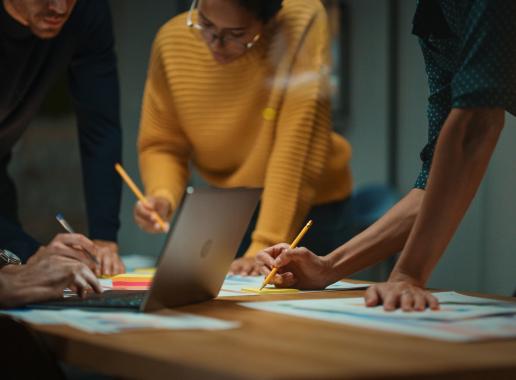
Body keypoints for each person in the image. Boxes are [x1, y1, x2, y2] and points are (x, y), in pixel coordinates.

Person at [255, 0, 516, 311]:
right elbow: (435, 183)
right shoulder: (435, 19)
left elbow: (476, 126)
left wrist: (408, 273)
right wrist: (328, 266)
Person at [134, 0, 355, 275]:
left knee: (290, 305)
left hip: (309, 203)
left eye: (236, 34)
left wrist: (264, 243)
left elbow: (294, 149)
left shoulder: (300, 22)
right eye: (205, 24)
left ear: (268, 19)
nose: (215, 43)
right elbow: (163, 143)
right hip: (232, 202)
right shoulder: (171, 42)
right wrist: (162, 194)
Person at [0, 0, 125, 275]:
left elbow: (100, 127)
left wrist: (104, 238)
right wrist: (29, 251)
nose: (59, 8)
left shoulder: (86, 12)